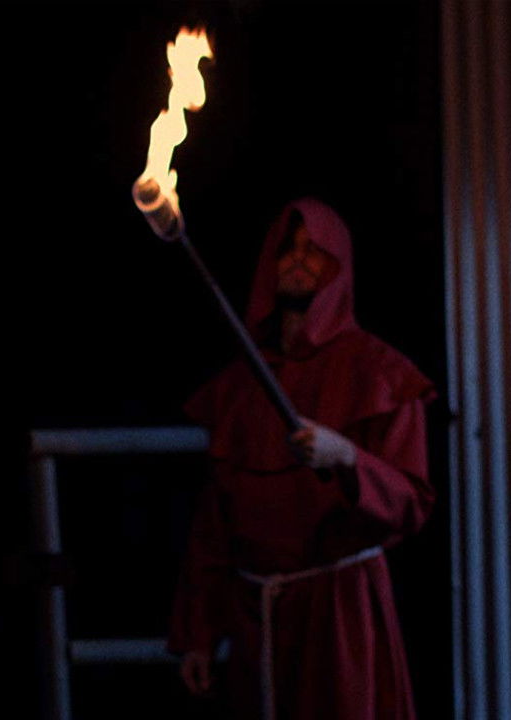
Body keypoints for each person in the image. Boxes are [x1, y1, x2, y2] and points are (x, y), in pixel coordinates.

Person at [169, 198, 435, 720]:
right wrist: (199, 633)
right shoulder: (242, 384)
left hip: (339, 613)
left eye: (313, 250)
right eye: (287, 249)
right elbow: (214, 524)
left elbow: (412, 503)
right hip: (257, 620)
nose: (296, 259)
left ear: (338, 265)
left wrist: (349, 457)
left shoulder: (379, 373)